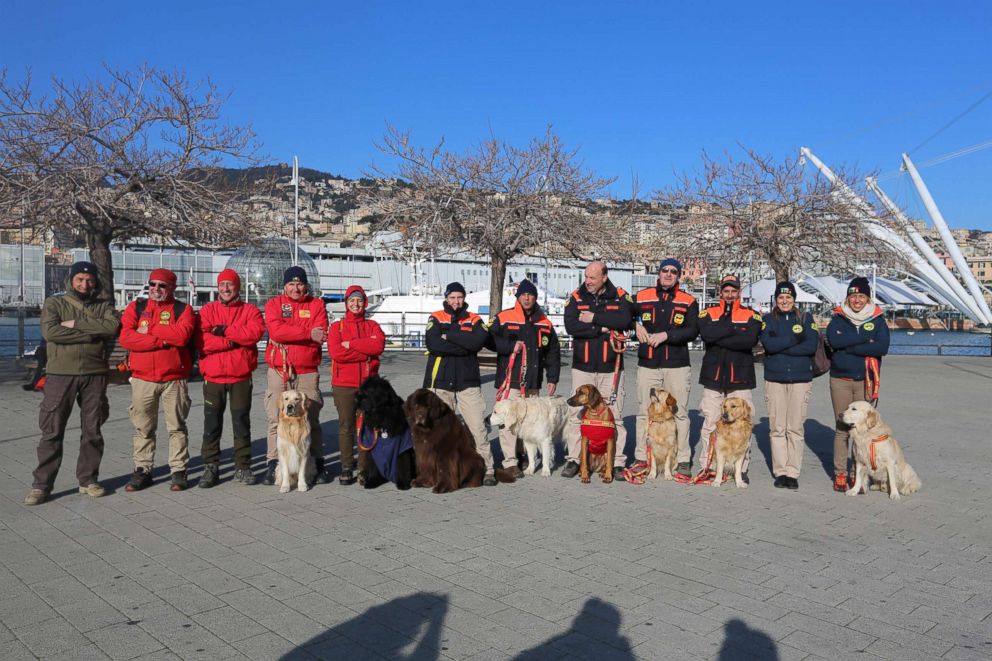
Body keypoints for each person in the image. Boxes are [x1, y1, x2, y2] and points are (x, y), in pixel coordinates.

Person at [23, 262, 120, 506]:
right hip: (60, 374)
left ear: (95, 282)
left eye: (89, 280)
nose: (85, 285)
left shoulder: (104, 305)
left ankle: (88, 480)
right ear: (71, 280)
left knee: (93, 429)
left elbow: (111, 327)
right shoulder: (55, 303)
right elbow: (52, 333)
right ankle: (41, 485)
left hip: (95, 373)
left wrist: (75, 325)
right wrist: (92, 334)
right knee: (52, 431)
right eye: (80, 280)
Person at [119, 268, 197, 492]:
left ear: (172, 288)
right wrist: (162, 339)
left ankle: (178, 470)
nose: (156, 289)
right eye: (152, 284)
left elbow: (182, 337)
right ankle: (143, 469)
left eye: (162, 285)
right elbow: (126, 337)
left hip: (174, 378)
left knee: (177, 427)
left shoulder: (183, 309)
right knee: (143, 427)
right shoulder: (137, 307)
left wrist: (148, 331)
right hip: (143, 378)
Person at [424, 282, 505, 486]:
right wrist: (464, 345)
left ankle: (486, 469)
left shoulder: (474, 319)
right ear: (446, 297)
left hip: (467, 382)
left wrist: (449, 336)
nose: (456, 301)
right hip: (440, 382)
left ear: (464, 298)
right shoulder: (435, 317)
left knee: (478, 428)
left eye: (459, 297)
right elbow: (433, 344)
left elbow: (477, 342)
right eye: (452, 297)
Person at [562, 261, 634, 480]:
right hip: (583, 367)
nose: (588, 282)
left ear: (604, 276)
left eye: (592, 278)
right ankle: (575, 459)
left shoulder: (620, 296)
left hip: (610, 368)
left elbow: (625, 320)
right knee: (577, 415)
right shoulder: (576, 297)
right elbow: (571, 326)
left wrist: (594, 318)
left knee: (615, 415)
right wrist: (601, 329)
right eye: (586, 277)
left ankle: (618, 462)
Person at [195, 268, 265, 488]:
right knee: (211, 423)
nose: (225, 289)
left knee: (241, 423)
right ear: (217, 287)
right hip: (214, 376)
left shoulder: (250, 310)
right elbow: (202, 341)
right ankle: (210, 466)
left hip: (240, 376)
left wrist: (222, 330)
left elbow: (254, 334)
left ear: (238, 287)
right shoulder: (207, 310)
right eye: (222, 285)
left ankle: (243, 466)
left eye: (230, 284)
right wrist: (232, 341)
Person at [263, 266, 330, 485]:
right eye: (291, 284)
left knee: (312, 417)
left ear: (306, 285)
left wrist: (291, 331)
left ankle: (317, 463)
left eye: (300, 284)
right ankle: (274, 463)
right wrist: (306, 332)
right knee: (276, 417)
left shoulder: (317, 305)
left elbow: (320, 333)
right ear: (284, 286)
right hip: (279, 369)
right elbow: (275, 331)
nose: (295, 288)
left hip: (307, 370)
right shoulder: (274, 305)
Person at [632, 258, 699, 478]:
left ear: (678, 275)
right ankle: (642, 457)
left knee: (679, 412)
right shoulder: (642, 296)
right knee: (644, 412)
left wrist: (667, 335)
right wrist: (635, 324)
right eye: (664, 270)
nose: (668, 274)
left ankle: (682, 459)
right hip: (648, 364)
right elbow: (624, 315)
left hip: (677, 365)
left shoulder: (688, 300)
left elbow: (692, 330)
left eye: (673, 271)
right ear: (658, 273)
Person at [488, 279, 561, 475]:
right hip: (510, 381)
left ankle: (524, 457)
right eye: (523, 294)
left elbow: (553, 351)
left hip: (532, 383)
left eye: (530, 295)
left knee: (529, 422)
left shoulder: (544, 322)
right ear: (518, 296)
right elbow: (489, 340)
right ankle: (510, 462)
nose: (527, 298)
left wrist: (552, 377)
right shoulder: (504, 318)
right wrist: (510, 346)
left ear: (535, 297)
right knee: (509, 421)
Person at [694, 274, 761, 484]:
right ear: (721, 292)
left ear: (739, 292)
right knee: (710, 423)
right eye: (726, 291)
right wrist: (734, 330)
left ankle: (742, 468)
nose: (730, 295)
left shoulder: (752, 314)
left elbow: (749, 340)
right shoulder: (708, 313)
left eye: (734, 291)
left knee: (743, 425)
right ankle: (708, 465)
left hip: (740, 376)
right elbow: (707, 336)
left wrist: (721, 334)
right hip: (713, 376)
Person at [825, 276, 890, 492]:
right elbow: (834, 341)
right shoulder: (838, 317)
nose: (856, 301)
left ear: (867, 298)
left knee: (862, 430)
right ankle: (840, 473)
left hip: (865, 380)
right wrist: (865, 341)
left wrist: (849, 347)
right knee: (842, 427)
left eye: (861, 296)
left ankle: (858, 475)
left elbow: (882, 347)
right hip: (840, 380)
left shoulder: (877, 318)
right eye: (853, 296)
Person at [759, 281, 818, 490]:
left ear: (794, 299)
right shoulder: (767, 320)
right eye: (781, 298)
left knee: (795, 428)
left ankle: (793, 472)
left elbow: (811, 345)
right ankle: (780, 471)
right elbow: (769, 345)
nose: (784, 301)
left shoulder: (805, 318)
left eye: (788, 298)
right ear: (776, 300)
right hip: (774, 379)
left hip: (800, 379)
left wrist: (782, 346)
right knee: (777, 428)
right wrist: (795, 338)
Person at [327, 285, 386, 485]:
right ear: (346, 303)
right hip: (344, 385)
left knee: (367, 426)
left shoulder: (373, 326)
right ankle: (346, 466)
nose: (356, 304)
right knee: (347, 426)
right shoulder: (337, 327)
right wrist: (365, 348)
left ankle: (364, 466)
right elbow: (337, 353)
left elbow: (378, 346)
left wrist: (351, 344)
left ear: (365, 303)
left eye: (359, 300)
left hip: (368, 384)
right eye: (352, 300)